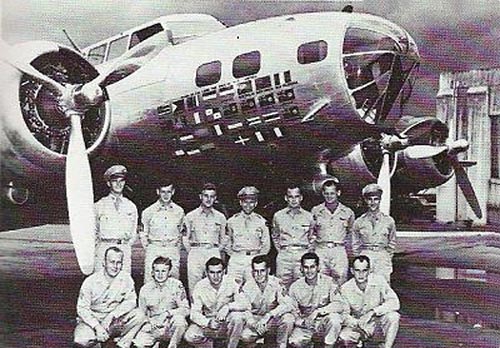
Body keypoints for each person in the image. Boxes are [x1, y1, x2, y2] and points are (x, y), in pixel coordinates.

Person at [73, 247, 144, 348]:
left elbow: (131, 301)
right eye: (112, 262)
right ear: (104, 263)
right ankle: (98, 342)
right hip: (94, 320)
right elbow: (82, 309)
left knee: (140, 315)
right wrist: (97, 326)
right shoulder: (90, 281)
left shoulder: (126, 279)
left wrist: (112, 315)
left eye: (118, 262)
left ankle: (122, 344)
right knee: (81, 340)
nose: (115, 266)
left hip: (116, 320)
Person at [184, 257, 248, 348]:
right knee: (189, 336)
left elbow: (245, 303)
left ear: (224, 271)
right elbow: (194, 313)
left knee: (237, 318)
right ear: (206, 273)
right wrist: (208, 322)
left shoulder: (231, 282)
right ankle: (211, 345)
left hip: (227, 322)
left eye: (219, 272)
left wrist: (228, 307)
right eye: (212, 272)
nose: (216, 276)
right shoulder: (200, 286)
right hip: (209, 322)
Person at [339, 256, 400, 348]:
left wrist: (373, 312)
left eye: (364, 270)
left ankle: (387, 346)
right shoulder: (345, 288)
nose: (361, 274)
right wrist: (357, 323)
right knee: (344, 336)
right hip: (358, 324)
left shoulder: (379, 280)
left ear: (369, 271)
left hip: (377, 323)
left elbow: (395, 302)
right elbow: (344, 314)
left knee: (393, 316)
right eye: (357, 270)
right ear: (352, 271)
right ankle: (359, 342)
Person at [288, 252, 345, 348]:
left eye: (312, 267)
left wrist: (318, 312)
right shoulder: (295, 287)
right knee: (295, 341)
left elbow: (339, 305)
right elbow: (292, 310)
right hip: (306, 325)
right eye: (306, 267)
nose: (309, 271)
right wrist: (302, 322)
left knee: (335, 319)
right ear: (301, 269)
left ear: (318, 267)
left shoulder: (329, 282)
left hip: (323, 322)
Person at [133, 257, 189, 348]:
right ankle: (156, 343)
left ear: (169, 272)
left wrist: (168, 313)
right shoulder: (145, 289)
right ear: (152, 272)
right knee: (139, 343)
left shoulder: (176, 285)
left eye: (163, 271)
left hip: (169, 325)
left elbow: (186, 309)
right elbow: (142, 313)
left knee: (180, 321)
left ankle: (172, 345)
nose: (160, 274)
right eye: (157, 271)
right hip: (153, 326)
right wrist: (150, 323)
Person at [239, 255, 294, 348]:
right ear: (252, 272)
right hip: (256, 321)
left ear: (268, 270)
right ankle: (257, 343)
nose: (259, 274)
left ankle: (281, 345)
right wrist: (253, 324)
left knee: (288, 318)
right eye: (256, 271)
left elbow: (288, 305)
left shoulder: (277, 283)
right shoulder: (247, 286)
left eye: (262, 271)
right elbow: (245, 309)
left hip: (272, 320)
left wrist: (269, 315)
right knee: (245, 336)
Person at [183, 183, 227, 296]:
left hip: (213, 251)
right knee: (194, 284)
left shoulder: (220, 217)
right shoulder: (190, 216)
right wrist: (192, 251)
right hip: (196, 251)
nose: (208, 199)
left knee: (214, 283)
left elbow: (224, 238)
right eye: (206, 196)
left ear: (215, 198)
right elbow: (185, 237)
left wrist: (216, 250)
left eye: (212, 196)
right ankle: (195, 310)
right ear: (200, 196)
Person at [311, 177, 355, 285]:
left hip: (339, 251)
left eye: (332, 193)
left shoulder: (348, 212)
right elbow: (311, 232)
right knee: (320, 282)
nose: (329, 196)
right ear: (322, 193)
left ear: (338, 193)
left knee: (341, 280)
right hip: (321, 250)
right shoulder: (316, 211)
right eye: (326, 193)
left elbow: (351, 234)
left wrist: (349, 254)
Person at [94, 165, 138, 274]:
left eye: (121, 181)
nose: (119, 184)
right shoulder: (99, 205)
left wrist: (125, 246)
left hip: (124, 249)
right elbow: (93, 231)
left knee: (123, 284)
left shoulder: (131, 206)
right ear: (109, 183)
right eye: (115, 181)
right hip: (105, 248)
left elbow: (133, 232)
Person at [140, 181, 184, 283]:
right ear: (158, 192)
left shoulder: (179, 211)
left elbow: (181, 232)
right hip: (154, 248)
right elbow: (143, 234)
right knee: (150, 281)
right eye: (163, 192)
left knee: (173, 282)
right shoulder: (148, 212)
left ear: (173, 192)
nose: (166, 195)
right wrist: (151, 247)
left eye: (168, 192)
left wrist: (175, 248)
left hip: (171, 249)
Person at [272, 184, 314, 289]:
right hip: (284, 256)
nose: (294, 200)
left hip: (302, 255)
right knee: (281, 286)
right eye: (290, 197)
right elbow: (275, 236)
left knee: (302, 286)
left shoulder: (309, 216)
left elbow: (312, 237)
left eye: (296, 196)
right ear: (286, 198)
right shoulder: (278, 216)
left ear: (301, 198)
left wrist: (307, 252)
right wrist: (282, 251)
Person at [352, 184, 397, 282]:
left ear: (380, 200)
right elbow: (355, 243)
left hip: (382, 256)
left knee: (383, 287)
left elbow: (392, 242)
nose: (373, 202)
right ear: (366, 201)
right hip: (365, 255)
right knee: (364, 285)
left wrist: (386, 256)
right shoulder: (359, 222)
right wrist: (360, 259)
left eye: (376, 199)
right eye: (369, 199)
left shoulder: (389, 221)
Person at [225, 186, 270, 283]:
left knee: (252, 288)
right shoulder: (232, 221)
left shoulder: (261, 222)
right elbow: (227, 242)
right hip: (236, 259)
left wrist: (258, 260)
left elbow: (266, 245)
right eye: (245, 202)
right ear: (240, 202)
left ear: (256, 203)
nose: (248, 205)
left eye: (251, 202)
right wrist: (235, 256)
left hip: (254, 259)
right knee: (232, 287)